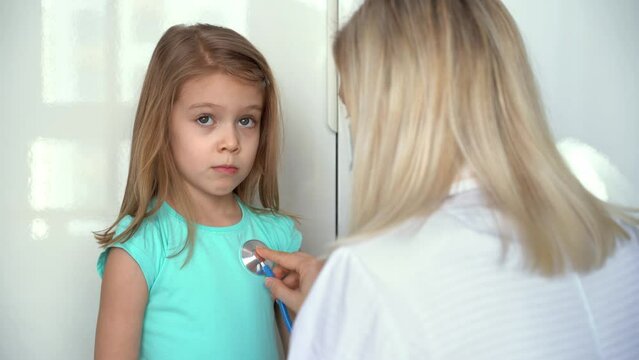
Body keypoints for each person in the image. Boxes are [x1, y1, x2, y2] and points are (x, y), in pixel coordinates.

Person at [258, 0, 639, 359]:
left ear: (388, 115)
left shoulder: (372, 274)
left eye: (353, 110)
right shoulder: (623, 239)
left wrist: (337, 314)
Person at [93, 24, 302, 360]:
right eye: (205, 118)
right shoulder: (140, 248)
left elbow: (310, 350)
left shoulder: (277, 240)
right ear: (161, 124)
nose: (231, 142)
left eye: (246, 120)